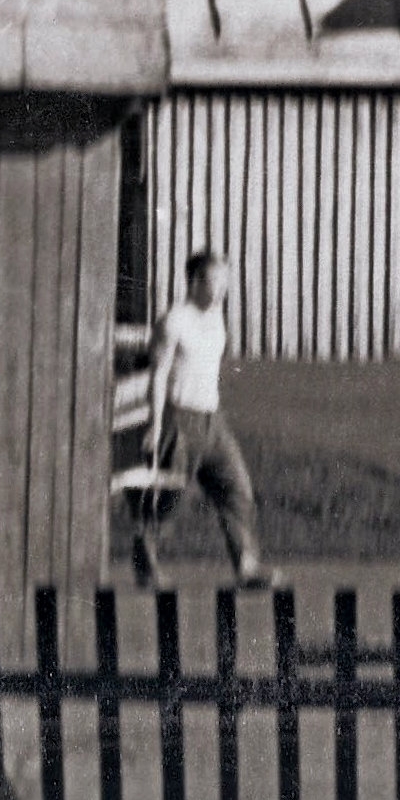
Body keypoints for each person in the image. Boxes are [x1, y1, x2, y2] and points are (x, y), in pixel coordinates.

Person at [138, 250, 281, 590]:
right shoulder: (173, 321)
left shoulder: (216, 319)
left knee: (237, 490)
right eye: (216, 282)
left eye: (225, 282)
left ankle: (246, 567)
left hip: (213, 420)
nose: (222, 290)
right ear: (195, 281)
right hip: (179, 419)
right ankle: (145, 558)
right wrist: (155, 425)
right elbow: (158, 375)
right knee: (171, 497)